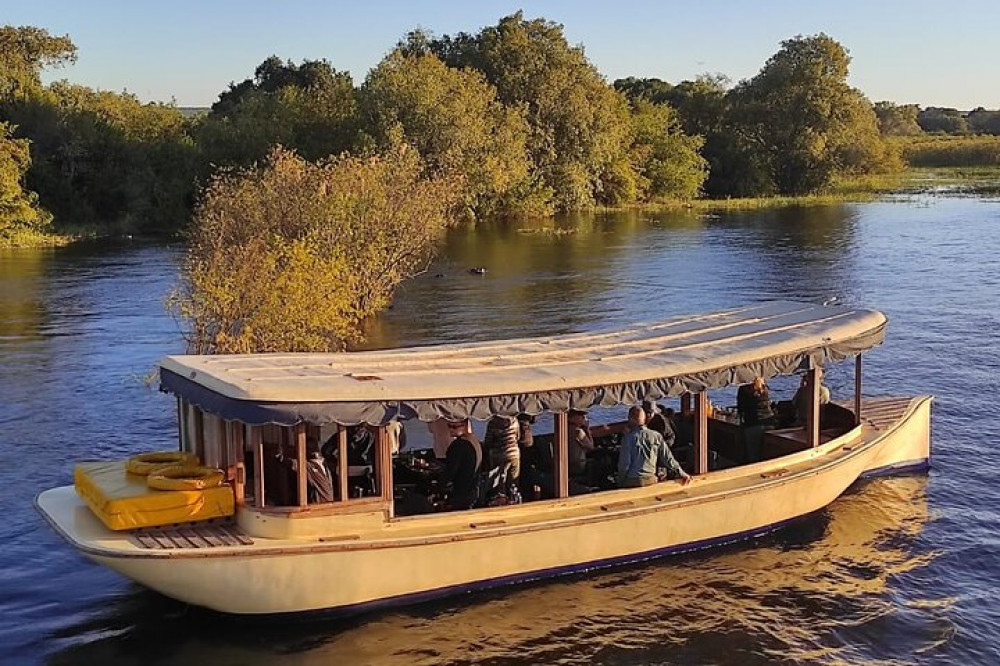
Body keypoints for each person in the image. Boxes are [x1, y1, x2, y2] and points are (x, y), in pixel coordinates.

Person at [617, 406, 691, 488]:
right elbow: (668, 458)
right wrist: (681, 473)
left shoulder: (628, 438)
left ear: (630, 419)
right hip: (651, 479)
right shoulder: (656, 436)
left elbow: (624, 464)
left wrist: (620, 481)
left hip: (632, 480)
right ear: (645, 419)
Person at [440, 419, 482, 510]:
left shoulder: (458, 445)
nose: (451, 429)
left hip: (461, 490)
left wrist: (441, 486)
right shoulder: (474, 440)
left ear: (465, 426)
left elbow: (451, 470)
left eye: (454, 427)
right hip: (474, 488)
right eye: (449, 426)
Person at [737, 377, 775, 462]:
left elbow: (741, 408)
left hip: (753, 423)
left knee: (753, 454)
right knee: (768, 452)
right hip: (769, 422)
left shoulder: (743, 389)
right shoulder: (765, 388)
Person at [484, 414, 521, 496]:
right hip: (513, 454)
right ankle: (514, 498)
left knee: (497, 481)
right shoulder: (514, 420)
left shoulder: (492, 423)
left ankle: (499, 497)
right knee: (514, 481)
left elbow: (488, 442)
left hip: (498, 456)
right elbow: (518, 436)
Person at [567, 410, 595, 480]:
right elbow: (591, 446)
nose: (585, 418)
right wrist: (588, 430)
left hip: (568, 464)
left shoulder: (565, 429)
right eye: (582, 416)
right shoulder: (578, 431)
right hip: (578, 465)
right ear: (572, 417)